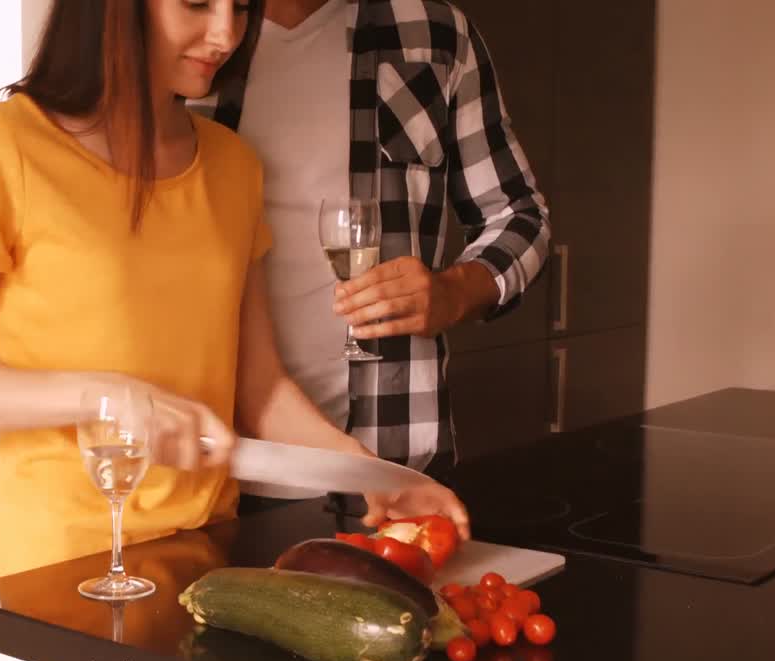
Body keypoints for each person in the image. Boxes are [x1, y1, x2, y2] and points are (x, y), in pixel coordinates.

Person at [0, 0, 470, 596]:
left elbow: (259, 387)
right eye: (197, 3)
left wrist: (370, 472)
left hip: (205, 564)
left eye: (240, 7)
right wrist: (106, 397)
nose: (226, 33)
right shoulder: (3, 146)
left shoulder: (231, 165)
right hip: (50, 572)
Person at [189, 0, 552, 498]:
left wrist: (454, 291)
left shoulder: (436, 34)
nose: (222, 29)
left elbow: (519, 216)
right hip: (221, 470)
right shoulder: (188, 43)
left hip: (395, 462)